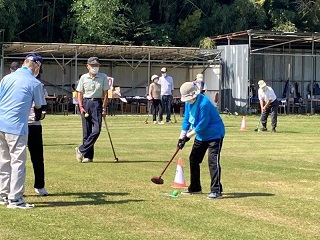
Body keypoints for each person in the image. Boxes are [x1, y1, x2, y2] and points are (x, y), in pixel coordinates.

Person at [0, 53, 46, 209]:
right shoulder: (34, 83)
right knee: (18, 162)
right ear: (37, 66)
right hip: (17, 126)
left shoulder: (7, 78)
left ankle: (3, 194)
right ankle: (15, 199)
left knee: (3, 161)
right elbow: (39, 109)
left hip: (1, 123)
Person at [177, 82, 225, 199]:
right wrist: (181, 137)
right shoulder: (189, 104)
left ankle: (216, 190)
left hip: (214, 134)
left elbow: (202, 125)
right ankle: (195, 187)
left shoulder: (204, 104)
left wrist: (188, 136)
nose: (188, 100)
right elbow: (187, 120)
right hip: (201, 136)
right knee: (194, 158)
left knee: (213, 162)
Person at [75, 57, 110, 163]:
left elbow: (105, 94)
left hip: (97, 103)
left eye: (97, 66)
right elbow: (80, 93)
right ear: (88, 66)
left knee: (96, 130)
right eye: (93, 66)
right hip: (86, 103)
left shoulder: (103, 77)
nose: (95, 68)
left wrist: (104, 108)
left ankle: (81, 149)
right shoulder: (84, 78)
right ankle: (88, 156)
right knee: (86, 131)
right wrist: (81, 106)